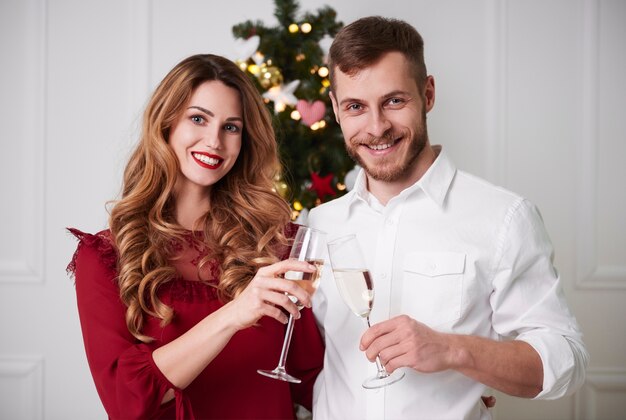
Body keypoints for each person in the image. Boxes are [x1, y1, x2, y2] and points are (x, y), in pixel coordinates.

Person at [308, 16, 588, 419]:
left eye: (394, 101)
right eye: (355, 106)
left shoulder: (504, 217)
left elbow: (568, 359)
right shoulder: (317, 225)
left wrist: (455, 350)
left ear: (428, 94)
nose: (376, 127)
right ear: (335, 109)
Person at [67, 54, 324, 419]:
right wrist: (235, 313)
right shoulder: (107, 256)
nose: (214, 140)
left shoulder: (277, 245)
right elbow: (125, 401)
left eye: (231, 127)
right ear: (167, 124)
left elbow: (315, 378)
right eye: (198, 119)